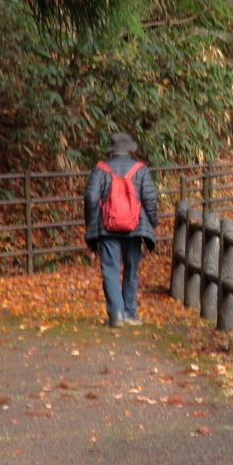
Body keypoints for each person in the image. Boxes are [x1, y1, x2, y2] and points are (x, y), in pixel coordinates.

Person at [83, 132, 158, 327]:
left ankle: (116, 314)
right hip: (135, 226)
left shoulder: (100, 169)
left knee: (110, 269)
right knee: (131, 269)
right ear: (129, 150)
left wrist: (92, 221)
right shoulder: (140, 169)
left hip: (107, 226)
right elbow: (149, 199)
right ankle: (130, 313)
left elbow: (91, 198)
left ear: (111, 151)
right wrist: (152, 221)